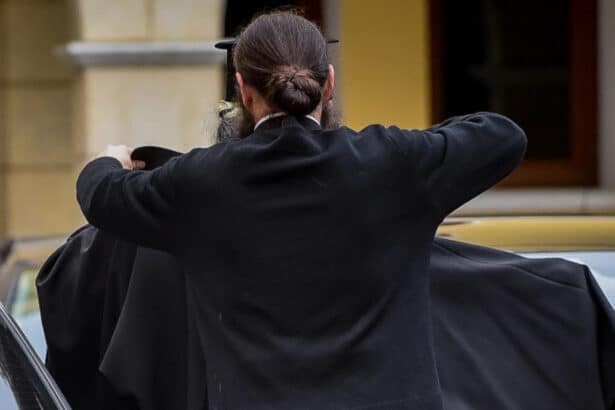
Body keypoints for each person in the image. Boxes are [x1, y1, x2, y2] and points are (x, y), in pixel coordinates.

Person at [74, 10, 527, 410]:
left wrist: (112, 159)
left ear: (243, 90)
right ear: (328, 83)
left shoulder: (198, 184)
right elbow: (503, 136)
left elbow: (99, 194)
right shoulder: (393, 164)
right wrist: (411, 147)